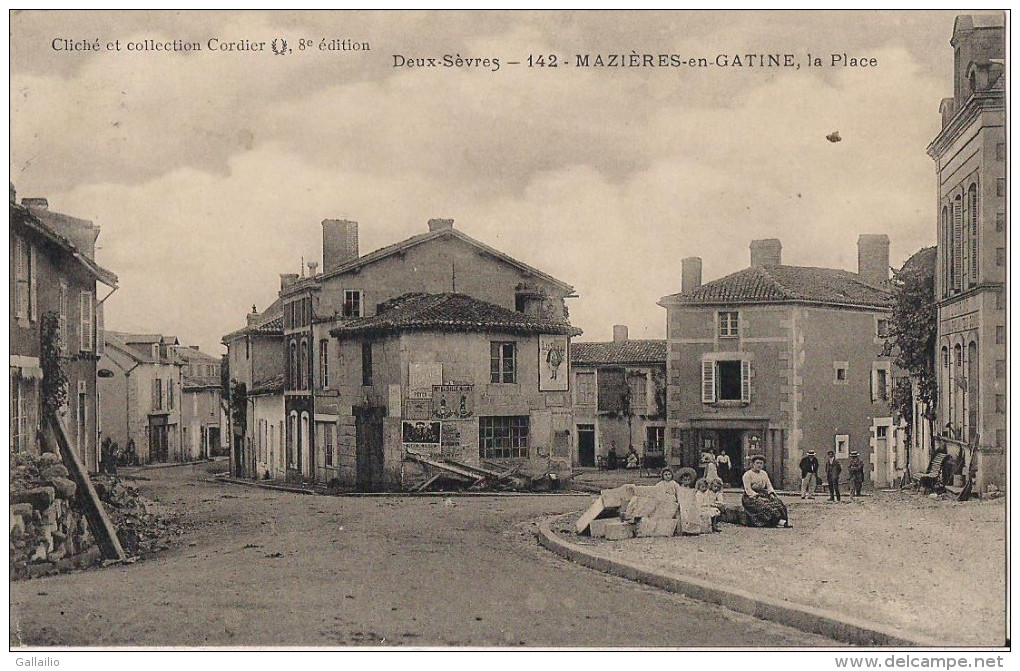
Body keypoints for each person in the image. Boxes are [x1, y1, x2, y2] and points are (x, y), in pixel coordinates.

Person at [741, 455, 791, 528]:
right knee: (765, 506)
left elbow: (769, 485)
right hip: (750, 497)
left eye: (761, 463)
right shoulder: (747, 475)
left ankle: (783, 521)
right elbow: (748, 489)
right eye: (757, 463)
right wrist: (756, 496)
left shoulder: (764, 473)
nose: (759, 465)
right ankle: (773, 522)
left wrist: (771, 493)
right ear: (753, 464)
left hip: (763, 493)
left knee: (778, 503)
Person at [676, 467, 708, 534]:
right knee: (684, 513)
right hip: (683, 503)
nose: (687, 481)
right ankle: (685, 529)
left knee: (693, 512)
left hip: (689, 503)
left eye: (688, 480)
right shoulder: (680, 488)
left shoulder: (690, 489)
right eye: (685, 480)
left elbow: (692, 497)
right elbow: (680, 497)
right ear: (681, 480)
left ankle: (692, 529)